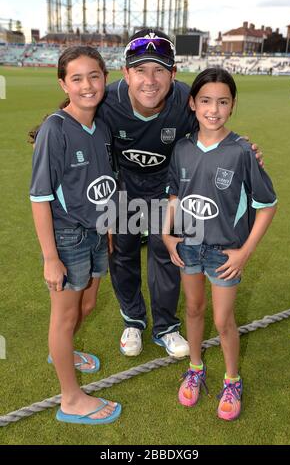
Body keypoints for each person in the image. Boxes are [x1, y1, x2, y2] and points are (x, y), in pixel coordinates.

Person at [97, 28, 263, 359]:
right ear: (126, 73)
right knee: (123, 252)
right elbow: (76, 121)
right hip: (124, 186)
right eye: (141, 70)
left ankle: (165, 327)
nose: (150, 80)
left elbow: (212, 123)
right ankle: (133, 320)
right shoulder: (107, 102)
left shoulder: (185, 101)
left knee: (168, 254)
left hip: (167, 187)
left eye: (160, 69)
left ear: (173, 73)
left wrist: (244, 148)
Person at [162, 67, 277, 421]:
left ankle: (232, 380)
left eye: (223, 102)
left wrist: (245, 251)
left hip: (225, 251)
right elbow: (174, 196)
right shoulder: (181, 148)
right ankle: (195, 368)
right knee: (193, 310)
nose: (214, 109)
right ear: (193, 104)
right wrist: (168, 235)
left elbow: (267, 205)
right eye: (206, 101)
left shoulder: (242, 151)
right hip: (189, 247)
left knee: (223, 319)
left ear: (233, 105)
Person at [30, 46, 121, 425]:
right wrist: (51, 257)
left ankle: (62, 352)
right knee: (64, 319)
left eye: (94, 76)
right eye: (77, 78)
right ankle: (70, 399)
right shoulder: (55, 128)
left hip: (98, 234)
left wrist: (111, 225)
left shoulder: (100, 125)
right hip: (68, 240)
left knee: (85, 307)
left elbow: (103, 182)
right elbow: (40, 197)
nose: (88, 85)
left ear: (104, 77)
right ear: (63, 83)